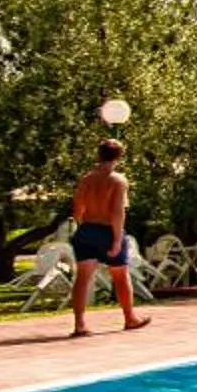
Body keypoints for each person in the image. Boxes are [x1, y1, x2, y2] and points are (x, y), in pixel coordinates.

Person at [68, 139, 150, 336]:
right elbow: (117, 212)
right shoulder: (118, 181)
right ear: (119, 158)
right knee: (120, 275)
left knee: (83, 278)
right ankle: (130, 318)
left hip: (87, 229)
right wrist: (115, 240)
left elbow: (77, 208)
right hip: (108, 230)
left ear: (98, 155)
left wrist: (82, 226)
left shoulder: (86, 179)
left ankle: (79, 324)